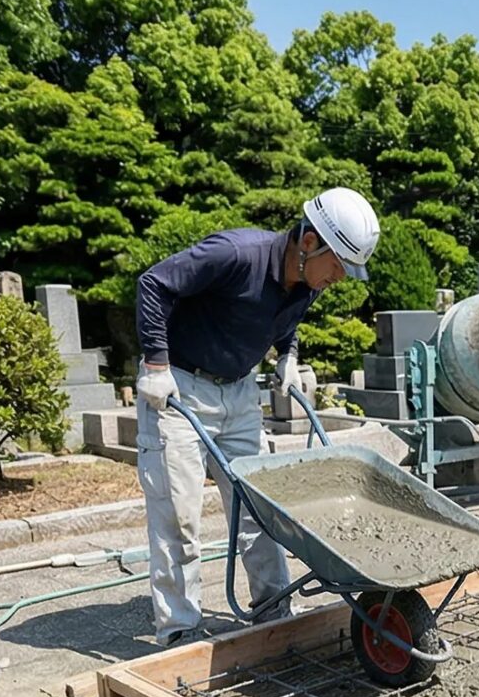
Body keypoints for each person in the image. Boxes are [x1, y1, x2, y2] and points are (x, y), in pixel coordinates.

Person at [131, 187, 379, 645]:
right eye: (338, 265)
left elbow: (286, 319)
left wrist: (288, 354)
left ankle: (272, 607)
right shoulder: (235, 255)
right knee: (178, 516)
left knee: (260, 509)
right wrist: (156, 363)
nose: (339, 278)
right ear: (309, 243)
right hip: (180, 387)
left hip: (240, 394)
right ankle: (180, 628)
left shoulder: (308, 281)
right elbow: (154, 284)